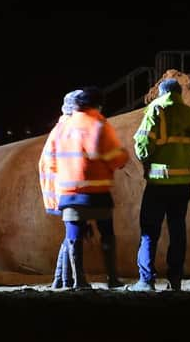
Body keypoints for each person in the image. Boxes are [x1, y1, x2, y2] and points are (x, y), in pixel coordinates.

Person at [127, 78, 190, 291]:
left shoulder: (156, 110)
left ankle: (146, 280)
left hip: (158, 183)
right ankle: (175, 281)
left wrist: (145, 160)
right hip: (183, 184)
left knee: (149, 230)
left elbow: (143, 146)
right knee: (177, 229)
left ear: (162, 92)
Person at [52, 87, 129, 289]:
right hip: (96, 191)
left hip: (68, 194)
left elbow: (51, 159)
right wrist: (123, 157)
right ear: (98, 104)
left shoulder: (62, 126)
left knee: (73, 237)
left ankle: (79, 281)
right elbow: (111, 156)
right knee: (106, 233)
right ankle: (111, 278)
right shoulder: (98, 123)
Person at [39, 89, 82, 289]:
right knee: (73, 234)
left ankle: (60, 279)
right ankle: (67, 280)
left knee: (70, 235)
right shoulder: (69, 129)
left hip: (61, 190)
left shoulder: (61, 126)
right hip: (67, 190)